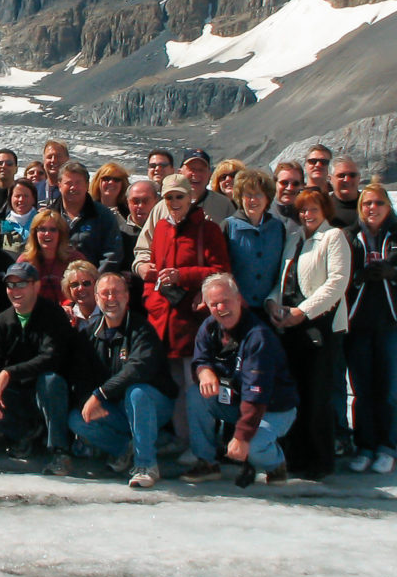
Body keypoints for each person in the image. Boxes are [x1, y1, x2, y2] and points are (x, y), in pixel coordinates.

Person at [136, 173, 230, 442]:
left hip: (193, 320)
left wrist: (183, 276)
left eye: (179, 196)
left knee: (196, 389)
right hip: (164, 319)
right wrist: (150, 300)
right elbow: (153, 268)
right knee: (175, 386)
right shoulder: (162, 229)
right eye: (169, 197)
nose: (175, 202)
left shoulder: (208, 230)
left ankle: (203, 448)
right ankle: (184, 441)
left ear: (191, 196)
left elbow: (221, 270)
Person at [266, 187, 351, 479]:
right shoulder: (294, 239)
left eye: (313, 209)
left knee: (318, 395)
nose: (307, 214)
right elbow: (282, 279)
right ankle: (296, 454)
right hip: (290, 327)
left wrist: (303, 311)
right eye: (303, 210)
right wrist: (272, 304)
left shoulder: (333, 237)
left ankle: (320, 460)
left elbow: (337, 283)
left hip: (320, 327)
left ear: (325, 211)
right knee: (296, 393)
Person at [183, 274, 298, 486]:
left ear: (238, 299)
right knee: (195, 394)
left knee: (252, 446)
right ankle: (207, 463)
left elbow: (257, 393)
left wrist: (242, 436)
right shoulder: (208, 328)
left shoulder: (258, 336)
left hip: (272, 408)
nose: (221, 308)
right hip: (238, 402)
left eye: (225, 301)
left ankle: (276, 464)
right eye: (214, 304)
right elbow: (200, 359)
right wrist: (204, 370)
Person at [68, 272, 178, 488]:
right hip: (116, 409)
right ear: (97, 299)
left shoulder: (141, 329)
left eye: (117, 292)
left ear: (127, 296)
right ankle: (126, 448)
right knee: (77, 419)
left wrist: (100, 394)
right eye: (105, 294)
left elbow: (137, 369)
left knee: (136, 391)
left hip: (153, 405)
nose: (111, 298)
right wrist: (87, 401)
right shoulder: (89, 335)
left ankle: (146, 465)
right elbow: (79, 377)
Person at [0, 262, 72, 467]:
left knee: (50, 381)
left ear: (36, 286)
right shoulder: (2, 320)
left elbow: (51, 358)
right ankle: (25, 434)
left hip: (48, 392)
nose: (14, 290)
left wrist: (9, 373)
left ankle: (59, 451)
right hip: (18, 394)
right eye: (10, 285)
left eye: (21, 284)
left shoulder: (53, 314)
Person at [345, 182, 397, 475]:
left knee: (389, 391)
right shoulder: (351, 237)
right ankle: (365, 445)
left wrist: (393, 272)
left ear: (388, 208)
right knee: (362, 390)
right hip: (359, 324)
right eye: (367, 204)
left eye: (378, 203)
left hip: (391, 324)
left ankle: (388, 446)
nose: (372, 209)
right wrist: (358, 278)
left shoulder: (396, 235)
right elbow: (341, 277)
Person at [222, 169, 286, 314]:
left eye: (258, 194)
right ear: (240, 197)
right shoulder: (228, 226)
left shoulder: (277, 227)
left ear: (267, 198)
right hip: (237, 308)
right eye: (248, 195)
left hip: (269, 309)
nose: (253, 200)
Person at [48, 160, 123, 271]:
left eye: (78, 183)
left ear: (87, 185)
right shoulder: (48, 216)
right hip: (54, 282)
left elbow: (112, 255)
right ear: (59, 185)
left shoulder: (103, 215)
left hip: (92, 283)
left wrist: (95, 281)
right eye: (68, 183)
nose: (73, 187)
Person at [17, 208, 74, 303]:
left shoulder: (74, 259)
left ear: (61, 233)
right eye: (42, 229)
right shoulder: (24, 262)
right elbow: (18, 294)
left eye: (53, 229)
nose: (47, 234)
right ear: (35, 233)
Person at [0, 178, 39, 257]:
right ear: (10, 199)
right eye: (17, 196)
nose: (21, 200)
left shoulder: (44, 224)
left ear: (33, 199)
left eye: (26, 196)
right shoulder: (1, 228)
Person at [61, 260, 100, 328]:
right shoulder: (65, 313)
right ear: (68, 288)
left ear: (97, 284)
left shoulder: (108, 310)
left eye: (86, 283)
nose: (80, 288)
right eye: (75, 284)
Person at [328, 155, 361, 229]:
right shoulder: (323, 207)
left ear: (359, 178)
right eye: (341, 175)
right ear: (330, 179)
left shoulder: (373, 205)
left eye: (352, 175)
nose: (347, 180)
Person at [39, 139, 69, 205]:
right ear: (44, 161)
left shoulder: (73, 190)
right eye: (49, 157)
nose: (53, 160)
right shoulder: (34, 190)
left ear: (67, 159)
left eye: (58, 156)